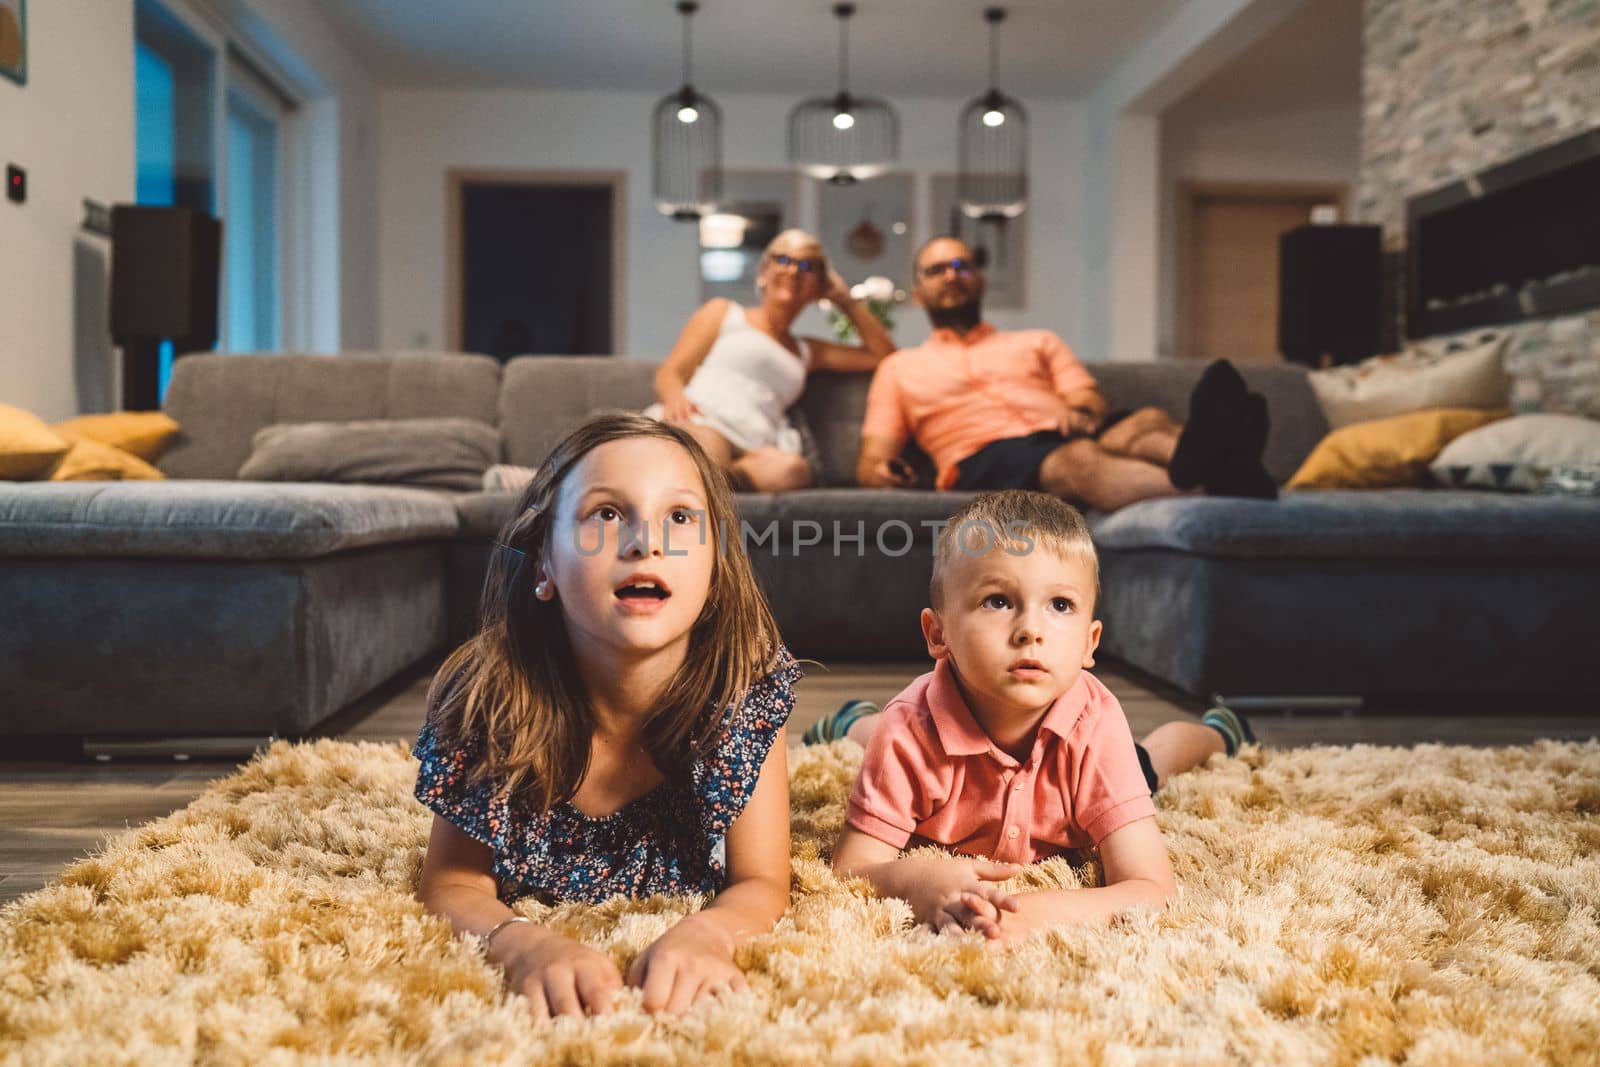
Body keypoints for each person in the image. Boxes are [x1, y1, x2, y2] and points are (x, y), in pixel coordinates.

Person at [413, 412, 800, 1018]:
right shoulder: (487, 697)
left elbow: (761, 882)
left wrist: (708, 933)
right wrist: (520, 944)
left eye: (679, 517)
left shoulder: (743, 692)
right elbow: (452, 881)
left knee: (864, 735)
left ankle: (852, 721)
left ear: (716, 572)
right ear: (543, 564)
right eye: (607, 513)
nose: (645, 541)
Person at [818, 490, 1253, 944]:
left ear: (1090, 642)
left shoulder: (1097, 725)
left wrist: (1035, 913)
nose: (1031, 630)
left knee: (1156, 759)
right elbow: (850, 870)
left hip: (1086, 769)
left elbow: (1154, 890)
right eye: (998, 601)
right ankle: (853, 721)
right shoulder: (908, 729)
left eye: (1060, 605)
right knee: (886, 732)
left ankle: (1218, 731)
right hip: (914, 726)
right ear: (937, 633)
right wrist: (917, 881)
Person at [856, 236, 1276, 511]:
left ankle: (1219, 455)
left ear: (981, 282)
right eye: (937, 269)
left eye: (963, 266)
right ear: (918, 293)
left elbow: (1087, 397)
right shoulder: (898, 368)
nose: (952, 275)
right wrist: (881, 472)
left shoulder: (1038, 341)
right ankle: (1229, 475)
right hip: (983, 455)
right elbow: (872, 460)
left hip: (1065, 430)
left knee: (1145, 421)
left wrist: (1082, 409)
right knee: (1078, 460)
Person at [650, 228, 897, 492]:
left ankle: (714, 478)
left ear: (819, 287)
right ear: (763, 272)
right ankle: (706, 473)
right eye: (783, 260)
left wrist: (845, 301)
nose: (793, 271)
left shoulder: (807, 351)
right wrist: (675, 397)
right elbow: (670, 371)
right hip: (705, 420)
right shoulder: (724, 313)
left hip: (756, 444)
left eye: (806, 266)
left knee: (792, 470)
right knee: (706, 445)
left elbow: (885, 357)